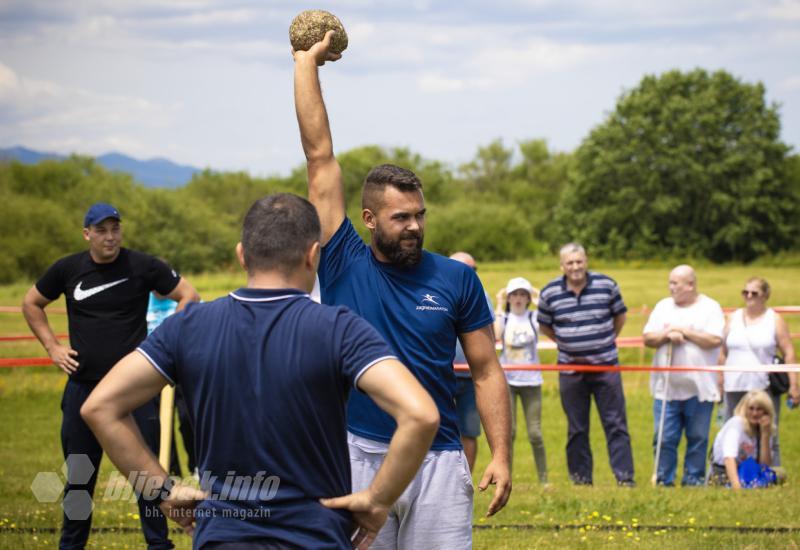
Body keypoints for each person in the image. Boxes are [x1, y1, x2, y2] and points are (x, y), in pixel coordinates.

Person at [81, 193, 440, 548]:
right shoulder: (339, 328)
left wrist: (161, 490)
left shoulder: (187, 327)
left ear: (242, 255)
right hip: (316, 537)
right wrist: (377, 499)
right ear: (313, 255)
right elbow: (420, 414)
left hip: (222, 537)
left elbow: (100, 407)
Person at [293, 32, 512, 548]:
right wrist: (307, 64)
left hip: (437, 458)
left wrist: (500, 453)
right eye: (400, 218)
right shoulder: (343, 258)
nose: (414, 226)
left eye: (419, 215)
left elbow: (485, 370)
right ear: (368, 219)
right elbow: (319, 157)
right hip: (356, 454)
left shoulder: (457, 278)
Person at [21, 202, 200, 549]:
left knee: (146, 478)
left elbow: (188, 295)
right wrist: (52, 348)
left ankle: (158, 545)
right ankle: (71, 546)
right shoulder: (67, 268)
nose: (109, 236)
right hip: (83, 389)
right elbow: (31, 303)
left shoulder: (143, 266)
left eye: (115, 228)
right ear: (86, 233)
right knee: (78, 479)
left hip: (134, 391)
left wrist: (164, 342)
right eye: (101, 230)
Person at [537, 243, 634, 486]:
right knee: (577, 427)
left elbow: (619, 318)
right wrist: (568, 343)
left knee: (616, 425)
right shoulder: (550, 292)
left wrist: (602, 341)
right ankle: (581, 480)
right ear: (562, 266)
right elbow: (545, 326)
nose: (575, 267)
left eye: (579, 261)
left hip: (606, 367)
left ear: (586, 262)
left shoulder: (607, 285)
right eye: (570, 263)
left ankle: (625, 478)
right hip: (570, 371)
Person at [643, 264, 723, 486]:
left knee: (697, 438)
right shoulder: (662, 307)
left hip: (700, 388)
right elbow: (648, 338)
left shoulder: (710, 307)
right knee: (664, 438)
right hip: (666, 388)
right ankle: (663, 479)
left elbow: (715, 340)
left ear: (690, 285)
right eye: (669, 283)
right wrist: (667, 334)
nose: (670, 288)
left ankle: (693, 480)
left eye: (675, 283)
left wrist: (685, 332)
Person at [718, 277, 797, 466]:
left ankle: (771, 473)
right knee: (731, 430)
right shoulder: (733, 317)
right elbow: (722, 352)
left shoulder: (774, 319)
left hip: (762, 387)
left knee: (767, 432)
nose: (749, 296)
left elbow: (789, 352)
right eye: (745, 292)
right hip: (734, 385)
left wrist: (794, 385)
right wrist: (719, 381)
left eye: (755, 293)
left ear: (765, 296)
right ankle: (729, 474)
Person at [494, 277, 548, 484]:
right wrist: (499, 305)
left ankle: (543, 480)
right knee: (510, 432)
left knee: (535, 433)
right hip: (508, 381)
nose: (518, 299)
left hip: (532, 381)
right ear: (509, 298)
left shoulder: (534, 317)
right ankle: (506, 477)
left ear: (528, 298)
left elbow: (547, 319)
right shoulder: (505, 319)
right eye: (514, 295)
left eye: (522, 295)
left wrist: (538, 295)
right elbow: (497, 335)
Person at [450, 251, 494, 472]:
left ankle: (464, 477)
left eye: (473, 269)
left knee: (469, 430)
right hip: (442, 376)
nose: (470, 274)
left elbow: (489, 336)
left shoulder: (482, 296)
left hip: (470, 378)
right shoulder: (437, 292)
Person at [147, 290, 196, 477]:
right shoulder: (143, 299)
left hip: (183, 368)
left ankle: (196, 466)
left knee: (187, 418)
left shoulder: (187, 298)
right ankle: (172, 471)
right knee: (160, 422)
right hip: (154, 370)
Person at [709, 390, 779, 489]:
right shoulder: (736, 424)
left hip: (748, 471)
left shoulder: (764, 428)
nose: (754, 413)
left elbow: (765, 466)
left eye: (759, 409)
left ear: (766, 412)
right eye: (751, 408)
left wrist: (765, 436)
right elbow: (729, 458)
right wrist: (737, 487)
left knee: (780, 474)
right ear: (744, 409)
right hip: (726, 472)